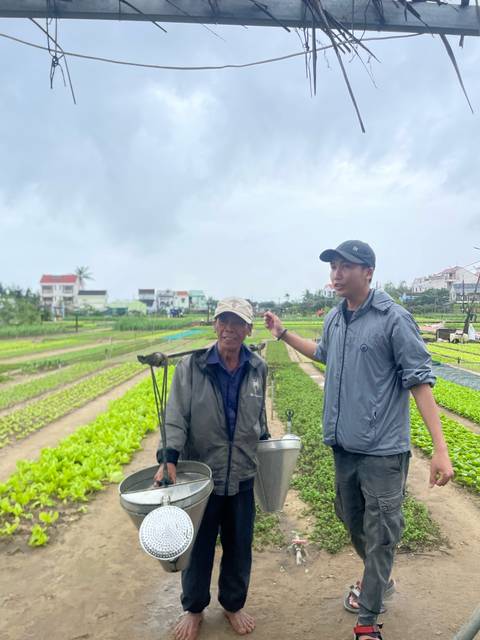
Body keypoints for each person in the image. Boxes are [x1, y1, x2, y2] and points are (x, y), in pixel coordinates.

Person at [264, 240, 454, 640]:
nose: (335, 273)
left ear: (367, 272)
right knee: (352, 523)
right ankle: (380, 581)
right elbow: (323, 353)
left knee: (382, 532)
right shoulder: (336, 318)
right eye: (332, 266)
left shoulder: (393, 319)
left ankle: (368, 620)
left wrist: (440, 449)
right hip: (344, 448)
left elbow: (419, 382)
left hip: (383, 452)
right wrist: (283, 334)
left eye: (344, 266)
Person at [155, 297, 268, 640]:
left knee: (239, 543)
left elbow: (258, 413)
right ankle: (193, 608)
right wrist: (169, 458)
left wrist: (267, 446)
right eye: (223, 321)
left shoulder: (257, 367)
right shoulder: (192, 367)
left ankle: (233, 604)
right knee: (199, 545)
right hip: (201, 477)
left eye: (237, 323)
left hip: (243, 474)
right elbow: (175, 415)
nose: (229, 329)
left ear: (248, 329)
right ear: (215, 325)